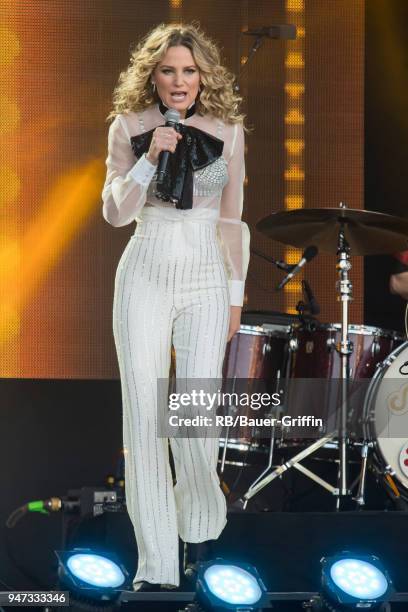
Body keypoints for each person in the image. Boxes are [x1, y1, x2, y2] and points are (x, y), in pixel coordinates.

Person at [101, 22, 250, 591]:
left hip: (206, 275)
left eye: (189, 71)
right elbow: (115, 213)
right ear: (154, 76)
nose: (179, 81)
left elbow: (233, 218)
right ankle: (157, 568)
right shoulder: (129, 126)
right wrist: (147, 157)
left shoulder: (229, 131)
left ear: (203, 76)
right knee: (143, 417)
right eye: (168, 70)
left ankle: (201, 528)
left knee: (192, 417)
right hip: (144, 269)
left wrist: (235, 297)